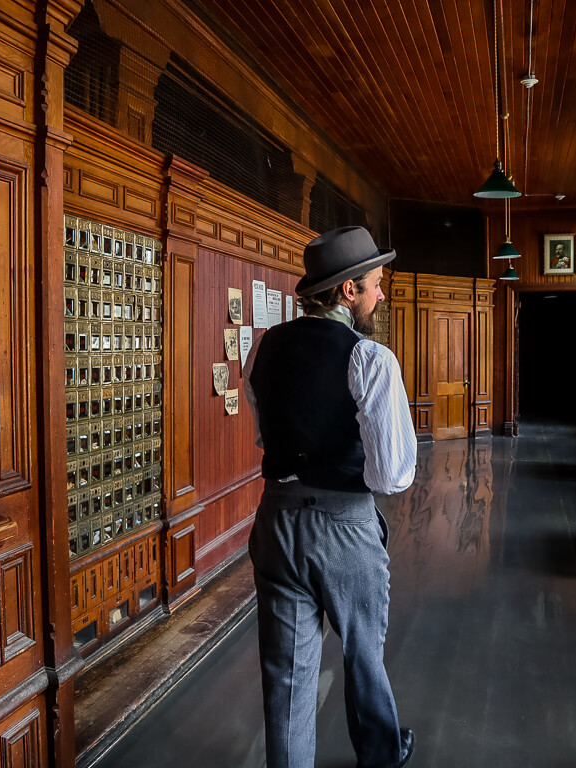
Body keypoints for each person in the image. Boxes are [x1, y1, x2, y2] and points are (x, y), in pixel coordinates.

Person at [243, 226, 418, 768]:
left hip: (274, 521)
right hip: (342, 526)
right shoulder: (370, 358)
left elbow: (264, 434)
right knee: (363, 653)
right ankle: (380, 755)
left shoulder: (266, 347)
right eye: (375, 285)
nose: (381, 295)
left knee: (287, 671)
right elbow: (393, 475)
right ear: (348, 291)